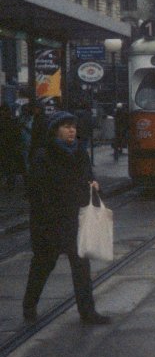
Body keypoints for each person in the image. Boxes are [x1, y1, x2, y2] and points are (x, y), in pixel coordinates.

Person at [21, 111, 109, 325]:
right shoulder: (44, 156)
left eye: (73, 127)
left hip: (75, 219)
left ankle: (88, 312)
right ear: (55, 131)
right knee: (43, 264)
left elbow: (89, 178)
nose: (72, 130)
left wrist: (95, 186)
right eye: (66, 127)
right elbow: (38, 191)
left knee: (81, 267)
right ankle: (29, 306)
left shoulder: (80, 154)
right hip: (49, 221)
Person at [0, 104, 25, 189]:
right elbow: (17, 134)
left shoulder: (11, 122)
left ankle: (9, 182)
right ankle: (10, 182)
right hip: (10, 147)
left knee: (7, 165)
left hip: (7, 147)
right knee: (9, 166)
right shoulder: (13, 122)